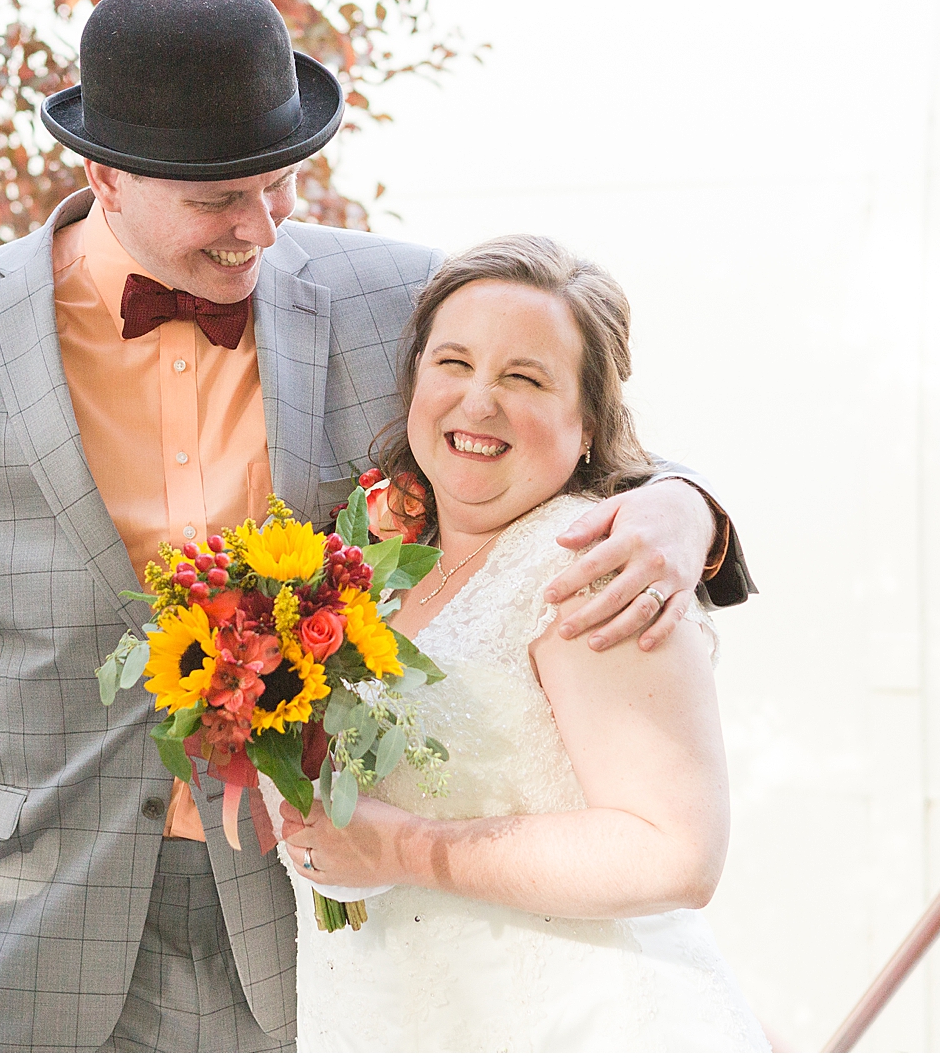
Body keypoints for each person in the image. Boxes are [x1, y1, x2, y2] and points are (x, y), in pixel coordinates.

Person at [0, 0, 755, 1052]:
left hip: (315, 919)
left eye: (280, 186)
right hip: (24, 927)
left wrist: (683, 505)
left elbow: (553, 408)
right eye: (219, 200)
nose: (258, 230)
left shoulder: (388, 296)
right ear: (106, 175)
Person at [276, 235, 769, 1052]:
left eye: (525, 378)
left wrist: (404, 847)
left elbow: (674, 855)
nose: (477, 402)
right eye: (454, 364)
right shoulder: (385, 573)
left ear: (588, 426)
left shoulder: (592, 568)